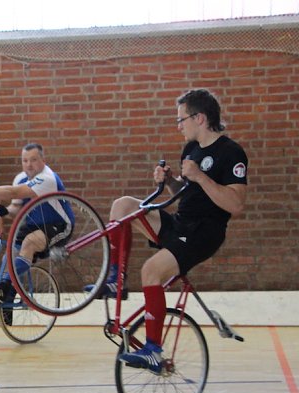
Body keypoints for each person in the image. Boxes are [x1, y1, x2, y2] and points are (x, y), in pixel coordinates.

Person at [94, 88, 248, 373]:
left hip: (204, 232)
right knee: (123, 206)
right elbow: (188, 192)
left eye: (181, 119)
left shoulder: (231, 152)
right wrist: (171, 182)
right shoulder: (190, 150)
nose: (178, 125)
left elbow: (236, 205)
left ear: (200, 118)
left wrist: (200, 176)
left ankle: (153, 349)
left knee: (151, 271)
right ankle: (116, 279)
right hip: (181, 223)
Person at [0, 143, 72, 325]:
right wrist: (5, 211)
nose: (29, 165)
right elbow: (17, 205)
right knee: (8, 256)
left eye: (33, 160)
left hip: (59, 225)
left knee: (29, 243)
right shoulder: (21, 177)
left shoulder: (47, 178)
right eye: (25, 161)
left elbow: (14, 192)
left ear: (43, 161)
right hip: (35, 225)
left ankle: (5, 287)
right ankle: (5, 307)